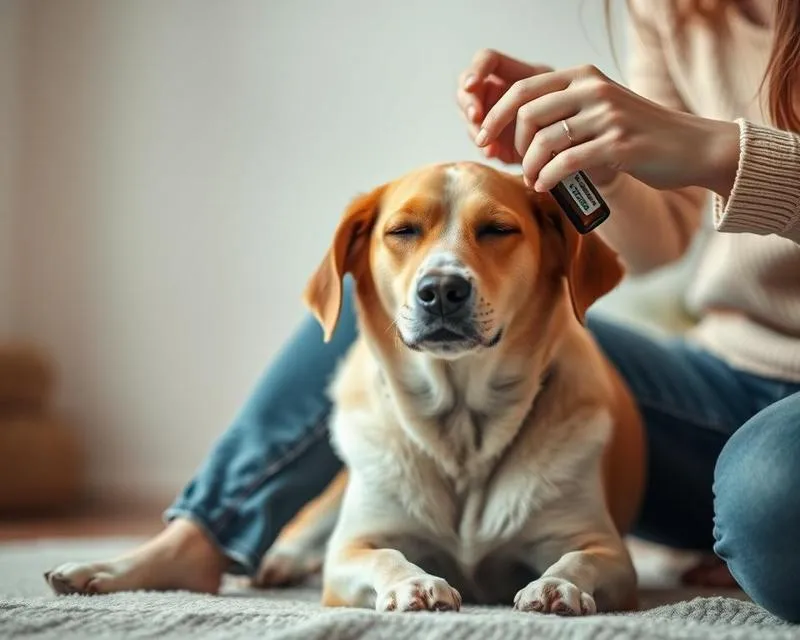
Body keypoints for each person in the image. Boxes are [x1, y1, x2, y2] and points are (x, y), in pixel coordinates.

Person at [45, 0, 800, 622]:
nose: (445, 274)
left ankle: (740, 533)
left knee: (769, 497)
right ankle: (202, 535)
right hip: (723, 383)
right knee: (367, 289)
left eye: (494, 234)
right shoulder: (677, 7)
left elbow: (705, 160)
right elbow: (659, 238)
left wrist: (717, 148)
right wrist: (585, 151)